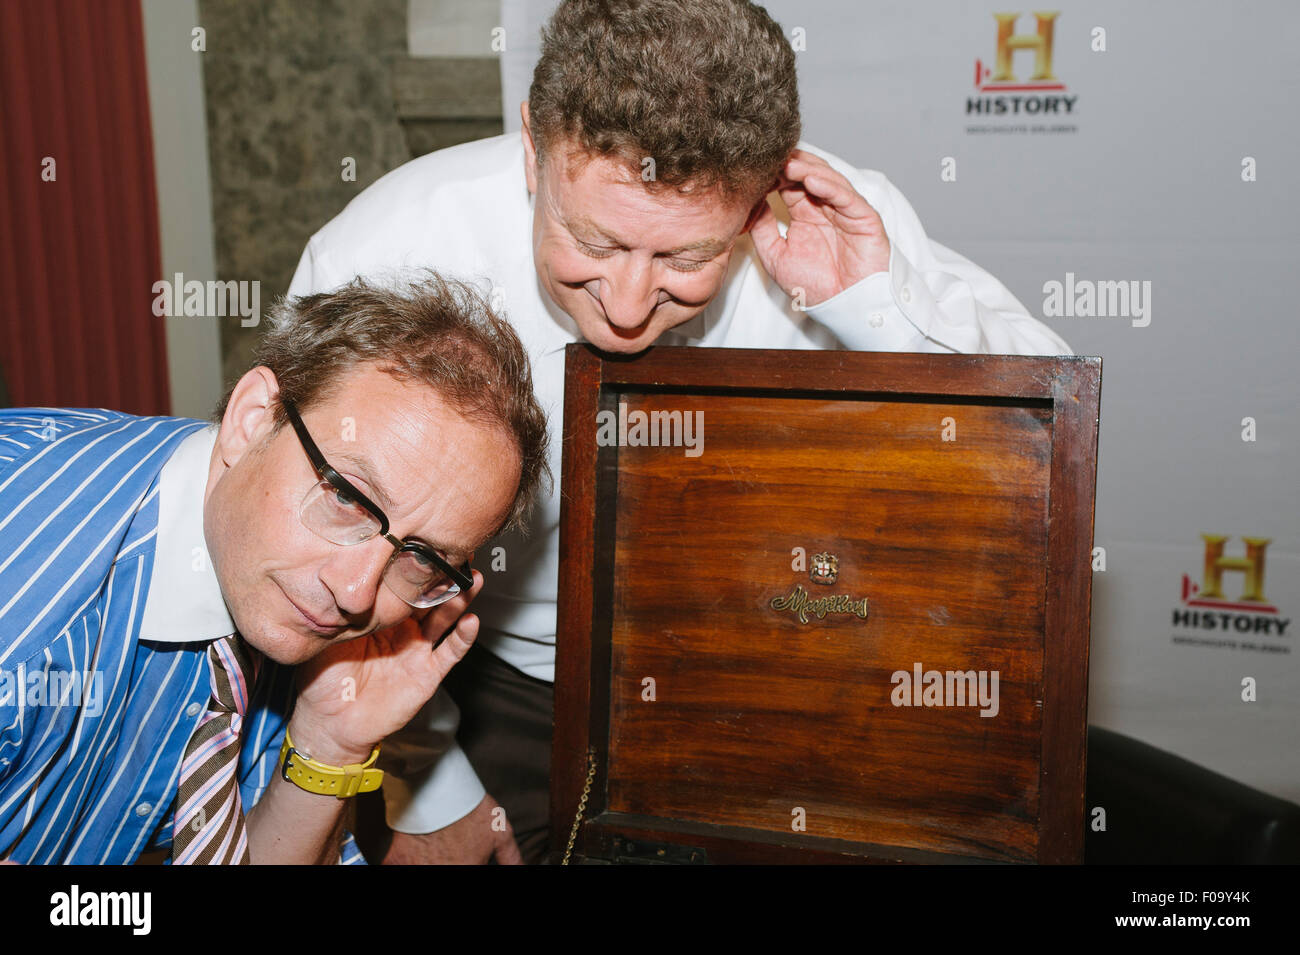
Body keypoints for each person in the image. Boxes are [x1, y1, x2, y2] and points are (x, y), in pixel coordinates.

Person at [288, 0, 1073, 864]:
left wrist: (874, 308)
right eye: (591, 239)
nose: (626, 307)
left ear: (758, 195)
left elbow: (1047, 450)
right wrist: (432, 785)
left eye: (684, 259)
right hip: (476, 672)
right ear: (531, 146)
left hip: (763, 670)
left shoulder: (833, 223)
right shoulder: (389, 249)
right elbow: (323, 558)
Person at [0, 274, 548, 864]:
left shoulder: (292, 620)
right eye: (347, 499)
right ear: (253, 418)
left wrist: (328, 746)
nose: (356, 592)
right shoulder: (24, 596)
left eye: (422, 558)